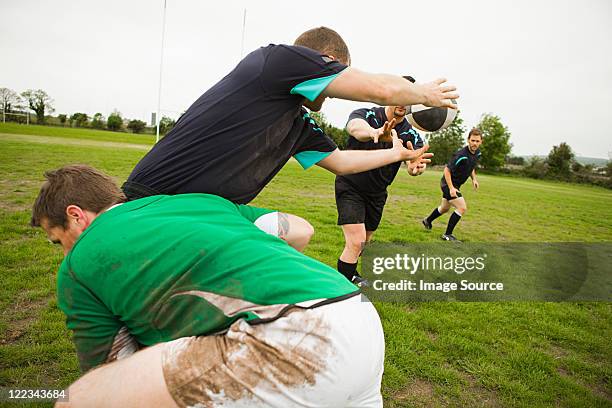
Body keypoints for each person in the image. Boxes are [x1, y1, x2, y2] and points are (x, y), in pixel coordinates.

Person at [32, 165, 385, 408]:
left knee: (80, 397)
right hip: (358, 314)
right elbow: (300, 229)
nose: (62, 253)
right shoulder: (198, 201)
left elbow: (110, 372)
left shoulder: (77, 267)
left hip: (293, 336)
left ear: (77, 216)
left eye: (56, 239)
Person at [123, 26, 457, 252]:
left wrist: (395, 155)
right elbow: (381, 89)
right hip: (155, 202)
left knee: (298, 232)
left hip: (208, 215)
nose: (335, 88)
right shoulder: (276, 60)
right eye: (337, 71)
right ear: (323, 60)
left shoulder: (296, 122)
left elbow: (341, 162)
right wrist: (423, 93)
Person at [336, 85, 429, 285]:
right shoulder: (368, 114)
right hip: (351, 184)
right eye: (400, 95)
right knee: (355, 241)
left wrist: (415, 168)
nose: (403, 102)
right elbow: (354, 127)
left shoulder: (411, 133)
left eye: (409, 98)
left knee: (363, 244)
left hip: (377, 192)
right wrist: (374, 132)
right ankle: (340, 291)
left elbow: (415, 162)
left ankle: (349, 274)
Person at [422, 128, 482, 241]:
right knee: (462, 207)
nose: (475, 143)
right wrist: (451, 188)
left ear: (481, 142)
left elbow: (471, 166)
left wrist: (474, 179)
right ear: (468, 140)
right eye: (473, 140)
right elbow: (447, 170)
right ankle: (447, 234)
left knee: (444, 208)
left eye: (477, 141)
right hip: (447, 184)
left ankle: (427, 220)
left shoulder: (477, 153)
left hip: (455, 185)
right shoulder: (461, 154)